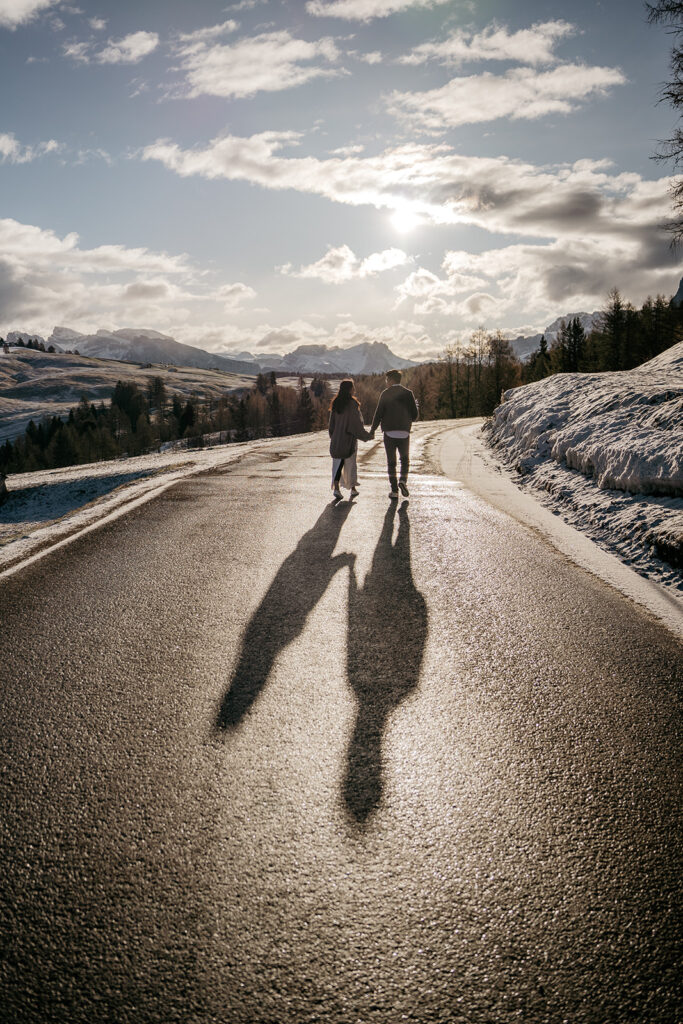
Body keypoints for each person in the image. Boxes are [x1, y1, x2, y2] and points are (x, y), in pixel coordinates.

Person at [370, 369, 418, 499]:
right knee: (405, 460)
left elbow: (378, 414)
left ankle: (394, 491)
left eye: (387, 380)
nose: (386, 383)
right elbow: (415, 415)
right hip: (404, 433)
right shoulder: (408, 394)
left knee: (391, 463)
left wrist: (372, 430)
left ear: (391, 380)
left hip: (389, 433)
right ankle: (403, 481)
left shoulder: (385, 394)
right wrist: (407, 420)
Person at [328, 379, 372, 500]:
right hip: (349, 439)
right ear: (349, 389)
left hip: (337, 439)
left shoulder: (335, 403)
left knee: (338, 463)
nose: (355, 390)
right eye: (353, 387)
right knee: (350, 463)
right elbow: (356, 424)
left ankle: (336, 488)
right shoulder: (352, 404)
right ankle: (353, 489)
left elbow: (331, 424)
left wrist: (333, 436)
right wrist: (366, 436)